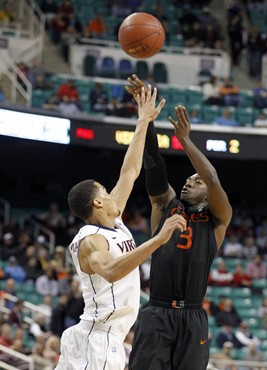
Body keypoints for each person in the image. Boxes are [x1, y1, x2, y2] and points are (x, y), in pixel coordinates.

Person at [55, 86, 186, 370]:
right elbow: (112, 271)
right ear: (98, 202)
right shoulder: (91, 241)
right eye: (104, 189)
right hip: (98, 339)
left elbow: (130, 171)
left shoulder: (111, 221)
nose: (111, 191)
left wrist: (143, 120)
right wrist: (157, 241)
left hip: (101, 337)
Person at [126, 75, 232, 370]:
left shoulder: (218, 219)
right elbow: (152, 161)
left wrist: (184, 140)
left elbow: (211, 178)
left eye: (194, 182)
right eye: (187, 179)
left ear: (208, 194)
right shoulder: (165, 205)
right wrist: (145, 119)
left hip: (193, 317)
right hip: (157, 312)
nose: (188, 182)